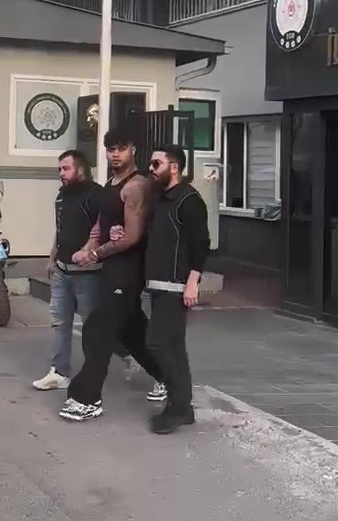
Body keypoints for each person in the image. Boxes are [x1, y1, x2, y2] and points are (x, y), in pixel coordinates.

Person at [59, 128, 164, 421]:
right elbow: (101, 223)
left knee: (98, 331)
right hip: (112, 267)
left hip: (128, 269)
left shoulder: (136, 186)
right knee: (132, 331)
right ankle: (170, 377)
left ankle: (87, 398)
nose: (115, 154)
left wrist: (94, 254)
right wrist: (89, 245)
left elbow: (131, 237)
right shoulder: (111, 183)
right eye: (110, 149)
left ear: (133, 149)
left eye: (121, 148)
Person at [112, 144, 210, 434]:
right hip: (157, 286)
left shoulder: (189, 200)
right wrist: (120, 231)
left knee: (158, 344)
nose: (151, 169)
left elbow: (201, 244)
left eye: (156, 164)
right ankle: (183, 407)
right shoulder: (159, 199)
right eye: (151, 164)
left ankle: (178, 408)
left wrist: (192, 283)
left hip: (176, 287)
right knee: (174, 347)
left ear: (174, 167)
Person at [33, 150, 137, 391]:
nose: (61, 173)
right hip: (62, 272)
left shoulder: (96, 195)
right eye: (59, 169)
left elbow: (108, 227)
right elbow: (60, 230)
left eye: (66, 168)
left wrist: (94, 250)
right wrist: (52, 259)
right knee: (60, 322)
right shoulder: (61, 196)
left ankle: (127, 354)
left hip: (89, 274)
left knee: (95, 327)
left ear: (80, 170)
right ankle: (59, 372)